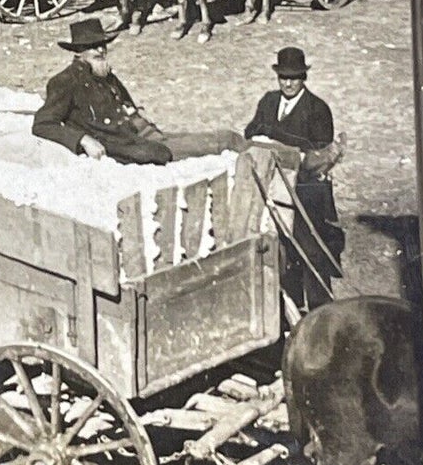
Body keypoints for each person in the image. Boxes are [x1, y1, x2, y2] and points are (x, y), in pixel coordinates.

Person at [32, 19, 245, 165]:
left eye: (102, 45)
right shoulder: (66, 81)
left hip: (146, 133)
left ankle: (275, 151)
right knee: (222, 142)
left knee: (226, 137)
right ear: (78, 52)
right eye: (93, 46)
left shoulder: (104, 74)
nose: (100, 50)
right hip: (128, 144)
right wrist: (83, 139)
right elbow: (43, 123)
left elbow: (126, 105)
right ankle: (274, 155)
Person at [244, 46, 346, 305]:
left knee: (310, 250)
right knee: (281, 249)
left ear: (303, 78)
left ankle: (319, 309)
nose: (288, 83)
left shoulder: (317, 109)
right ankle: (290, 306)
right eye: (283, 77)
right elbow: (250, 130)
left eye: (294, 77)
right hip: (274, 186)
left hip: (305, 191)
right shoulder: (269, 101)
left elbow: (318, 149)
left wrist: (274, 137)